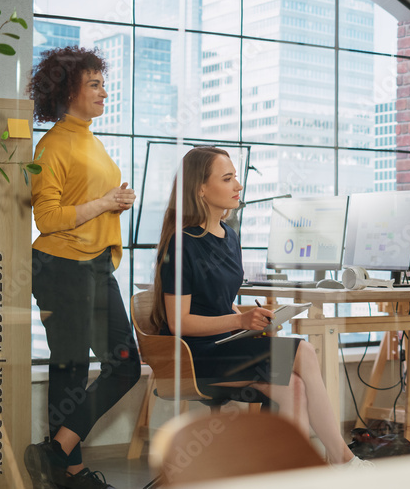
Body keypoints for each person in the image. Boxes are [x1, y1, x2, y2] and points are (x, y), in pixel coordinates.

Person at [149, 146, 369, 468]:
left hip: (229, 348)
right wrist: (240, 322)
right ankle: (344, 462)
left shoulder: (230, 237)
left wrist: (255, 317)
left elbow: (217, 304)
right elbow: (179, 323)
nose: (238, 185)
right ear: (201, 189)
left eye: (236, 177)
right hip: (197, 357)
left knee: (293, 387)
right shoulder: (182, 244)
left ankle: (293, 471)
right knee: (303, 351)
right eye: (228, 179)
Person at [24, 47, 141, 489]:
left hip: (94, 265)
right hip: (60, 266)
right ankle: (69, 474)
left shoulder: (90, 139)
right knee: (70, 367)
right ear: (68, 89)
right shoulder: (51, 144)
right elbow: (50, 218)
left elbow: (87, 203)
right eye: (94, 84)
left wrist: (115, 205)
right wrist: (106, 203)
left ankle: (54, 454)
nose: (104, 92)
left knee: (125, 365)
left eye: (102, 84)